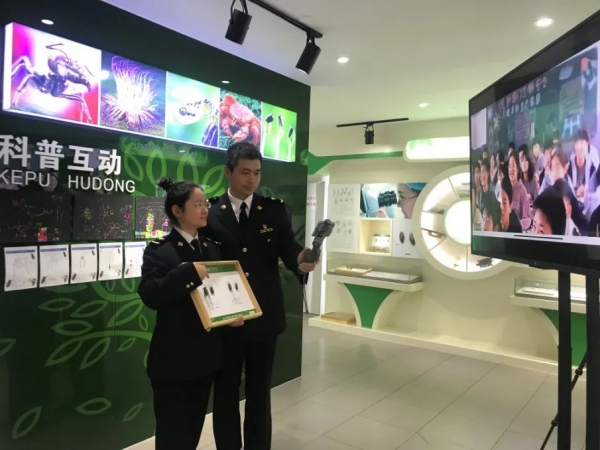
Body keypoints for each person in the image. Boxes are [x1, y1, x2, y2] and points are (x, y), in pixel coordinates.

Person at [205, 142, 318, 450]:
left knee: (259, 392)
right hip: (226, 318)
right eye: (245, 173)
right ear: (228, 172)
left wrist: (301, 260)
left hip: (263, 317)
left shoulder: (273, 211)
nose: (252, 180)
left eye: (256, 173)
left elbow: (290, 251)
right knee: (225, 393)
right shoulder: (211, 213)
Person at [137, 178, 243, 450]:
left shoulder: (211, 248)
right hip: (173, 361)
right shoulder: (160, 250)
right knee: (172, 436)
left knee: (193, 430)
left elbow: (216, 298)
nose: (205, 209)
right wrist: (187, 273)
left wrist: (231, 315)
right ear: (177, 210)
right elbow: (151, 294)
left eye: (205, 204)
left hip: (205, 360)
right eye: (197, 205)